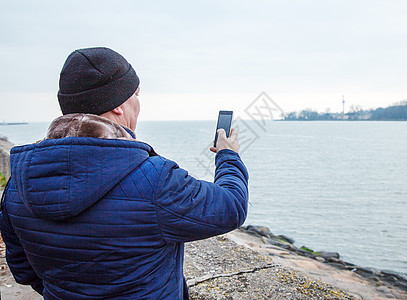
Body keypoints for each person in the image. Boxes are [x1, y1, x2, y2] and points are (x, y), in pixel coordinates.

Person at [0, 47, 248, 299]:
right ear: (119, 104)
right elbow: (232, 207)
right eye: (136, 94)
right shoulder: (155, 179)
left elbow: (23, 270)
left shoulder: (19, 183)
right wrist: (228, 155)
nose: (138, 103)